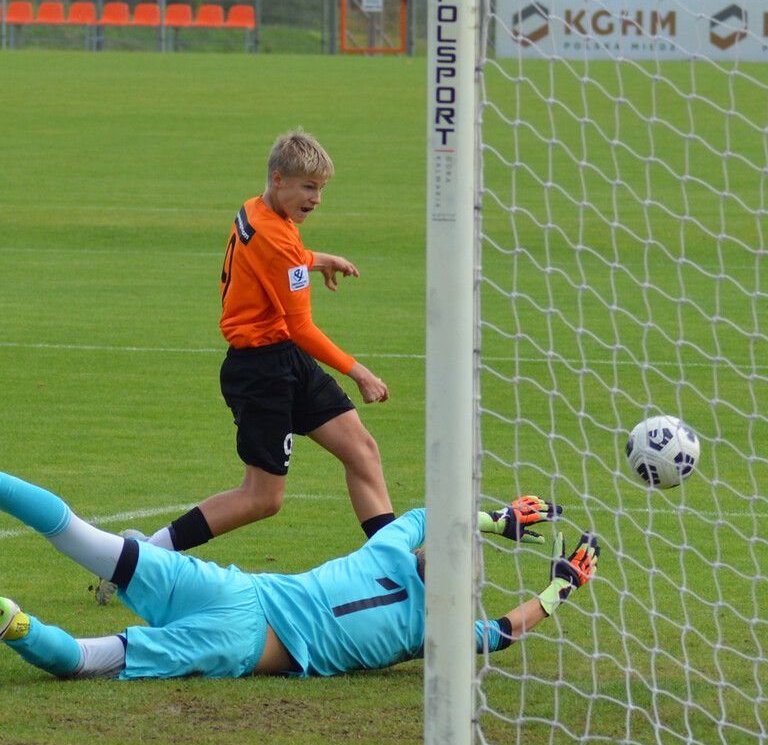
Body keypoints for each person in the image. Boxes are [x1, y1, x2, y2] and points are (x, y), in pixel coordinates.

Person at [0, 473, 600, 680]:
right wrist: (561, 587)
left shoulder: (386, 553)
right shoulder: (434, 629)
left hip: (237, 588)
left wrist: (493, 521)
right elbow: (501, 631)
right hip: (243, 646)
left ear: (424, 558)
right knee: (86, 658)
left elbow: (422, 516)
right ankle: (13, 621)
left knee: (86, 538)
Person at [138, 129, 393, 558]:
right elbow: (302, 328)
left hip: (283, 359)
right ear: (279, 179)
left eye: (322, 189)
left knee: (361, 449)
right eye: (308, 187)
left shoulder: (257, 210)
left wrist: (318, 259)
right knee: (263, 498)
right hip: (260, 370)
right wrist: (358, 371)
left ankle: (396, 564)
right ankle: (144, 553)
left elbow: (280, 256)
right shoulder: (278, 238)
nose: (316, 199)